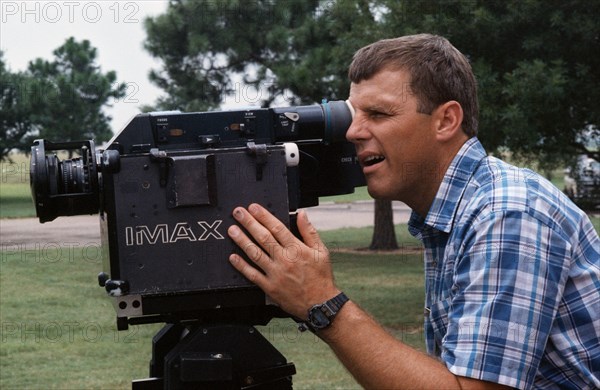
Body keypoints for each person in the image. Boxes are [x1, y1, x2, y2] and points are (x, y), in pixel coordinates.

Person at [226, 34, 600, 389]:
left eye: (378, 114)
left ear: (446, 121)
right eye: (354, 114)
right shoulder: (458, 212)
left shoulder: (506, 213)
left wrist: (320, 301)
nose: (353, 132)